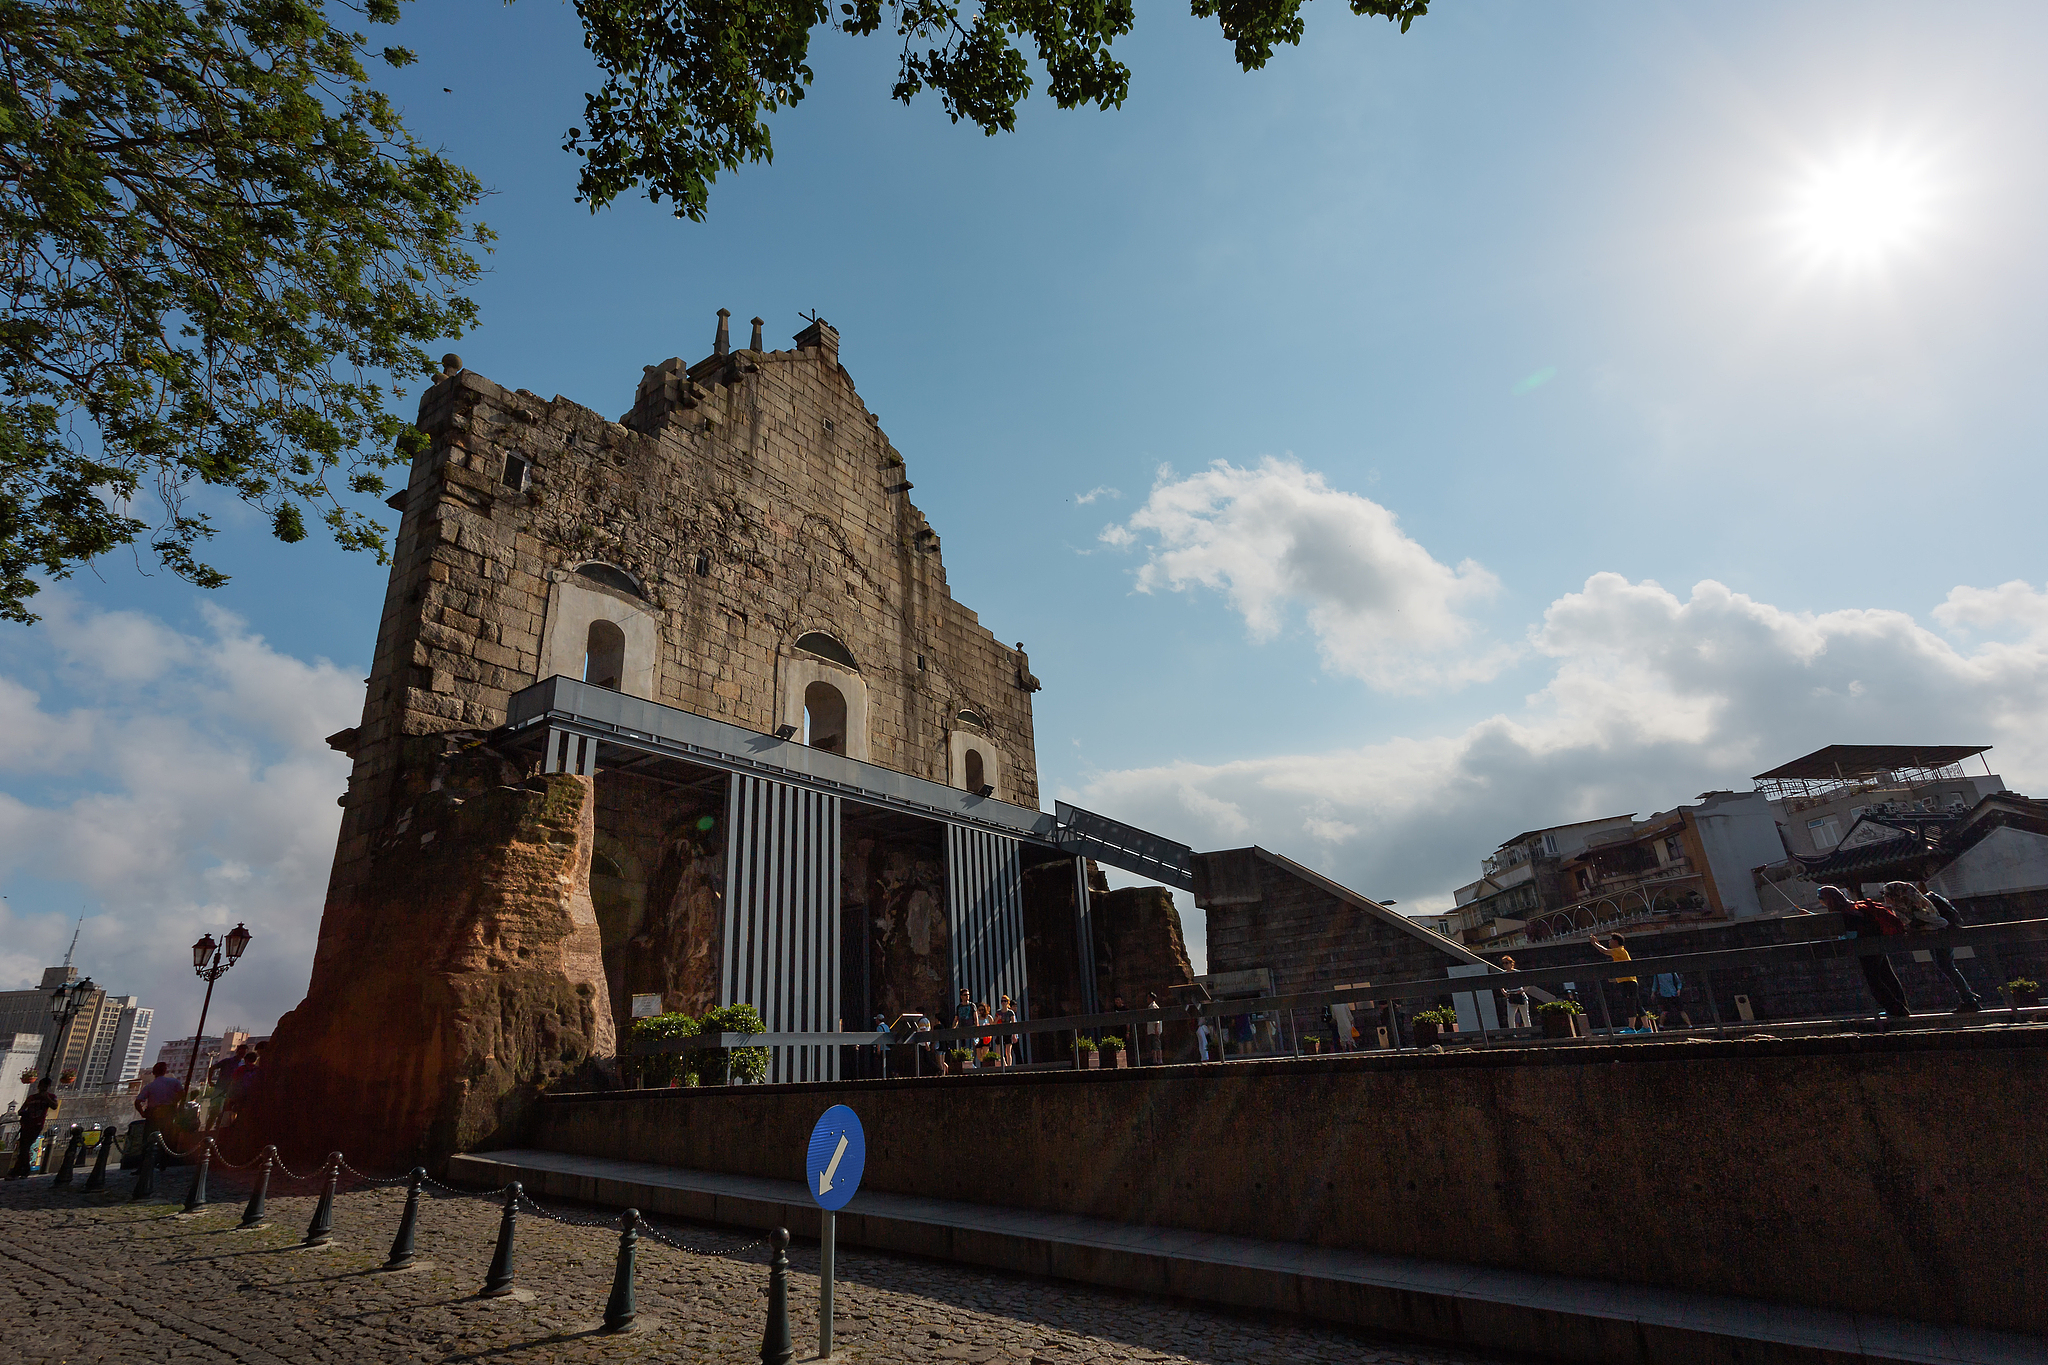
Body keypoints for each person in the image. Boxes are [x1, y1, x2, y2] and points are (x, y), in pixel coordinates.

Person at [1818, 885, 1911, 1018]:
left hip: (1866, 949)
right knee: (1888, 976)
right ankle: (1901, 1007)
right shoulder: (1853, 906)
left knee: (1873, 982)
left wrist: (1841, 937)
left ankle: (1896, 1011)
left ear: (1827, 899)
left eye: (1821, 899)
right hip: (1879, 943)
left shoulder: (1844, 914)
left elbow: (1850, 935)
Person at [1925, 892, 1984, 1013]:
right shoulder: (1926, 899)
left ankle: (1968, 998)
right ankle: (1968, 995)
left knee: (1946, 966)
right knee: (1946, 966)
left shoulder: (1918, 904)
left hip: (1941, 936)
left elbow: (1938, 922)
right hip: (1945, 935)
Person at [4, 1078, 59, 1179]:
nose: (43, 1088)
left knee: (25, 1147)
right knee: (23, 1147)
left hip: (36, 1125)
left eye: (46, 1086)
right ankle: (24, 1169)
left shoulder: (51, 1097)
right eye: (42, 1086)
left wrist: (47, 1098)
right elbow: (21, 1110)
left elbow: (54, 1106)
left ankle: (18, 1170)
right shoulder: (31, 1098)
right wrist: (24, 1114)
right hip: (27, 1124)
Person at [1588, 932, 1643, 1029]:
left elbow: (1604, 951)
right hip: (1629, 981)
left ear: (1616, 941)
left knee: (1630, 1004)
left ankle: (1631, 1028)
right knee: (1637, 1005)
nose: (1609, 941)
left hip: (1627, 982)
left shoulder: (1618, 950)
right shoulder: (1620, 951)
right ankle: (1646, 1026)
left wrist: (1594, 943)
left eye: (1610, 940)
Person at [134, 1061, 186, 1153]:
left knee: (149, 1138)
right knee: (167, 1138)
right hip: (169, 1112)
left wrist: (143, 1113)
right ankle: (164, 1161)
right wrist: (174, 1103)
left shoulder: (150, 1086)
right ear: (165, 1071)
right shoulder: (174, 1082)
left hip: (152, 1113)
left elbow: (138, 1102)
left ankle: (145, 1160)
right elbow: (182, 1094)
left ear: (153, 1072)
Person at [1497, 956, 1532, 1029]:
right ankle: (1513, 1033)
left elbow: (1528, 982)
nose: (1505, 965)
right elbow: (1500, 985)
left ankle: (1529, 1031)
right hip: (1511, 996)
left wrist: (1523, 990)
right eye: (1503, 963)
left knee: (1525, 1015)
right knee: (1510, 1017)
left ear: (1511, 963)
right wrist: (1504, 992)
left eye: (1506, 963)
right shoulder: (1503, 974)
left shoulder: (1517, 973)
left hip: (1520, 995)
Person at [994, 995, 1020, 1066]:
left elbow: (1014, 1024)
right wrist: (997, 1019)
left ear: (1007, 1002)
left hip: (1008, 1033)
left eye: (1005, 1001)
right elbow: (994, 1023)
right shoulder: (998, 1012)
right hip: (1000, 1032)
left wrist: (1014, 1035)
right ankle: (1004, 1065)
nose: (1003, 1002)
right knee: (999, 1052)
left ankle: (1009, 1066)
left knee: (1008, 1052)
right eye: (1002, 1001)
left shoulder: (1010, 1012)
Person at [1144, 992, 1165, 1065]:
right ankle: (1155, 1059)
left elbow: (1157, 1020)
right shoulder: (1150, 1006)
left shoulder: (1154, 1007)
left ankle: (1159, 1060)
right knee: (1153, 1045)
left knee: (1157, 1045)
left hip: (1154, 1030)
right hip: (1151, 1030)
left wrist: (1156, 1029)